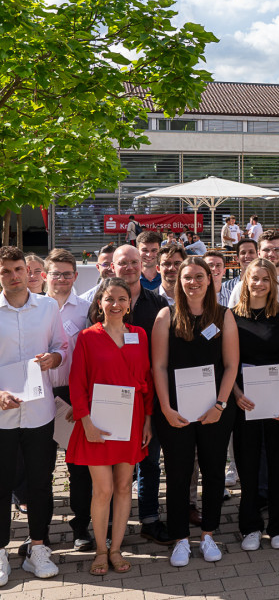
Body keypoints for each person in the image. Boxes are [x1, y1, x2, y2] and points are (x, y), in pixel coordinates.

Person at [151, 256, 239, 567]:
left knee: (214, 472)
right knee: (178, 474)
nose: (193, 282)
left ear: (210, 279)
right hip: (175, 412)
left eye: (199, 276)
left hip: (214, 411)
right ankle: (180, 539)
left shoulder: (223, 316)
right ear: (178, 281)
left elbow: (231, 366)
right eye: (187, 277)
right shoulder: (167, 315)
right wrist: (165, 407)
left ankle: (208, 535)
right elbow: (158, 366)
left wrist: (220, 405)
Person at [67, 277, 154, 575]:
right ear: (100, 302)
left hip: (131, 421)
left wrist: (147, 420)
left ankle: (117, 549)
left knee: (123, 486)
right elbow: (77, 383)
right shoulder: (88, 337)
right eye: (110, 299)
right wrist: (85, 421)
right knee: (102, 489)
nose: (115, 304)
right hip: (98, 423)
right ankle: (101, 551)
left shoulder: (140, 335)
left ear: (129, 304)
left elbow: (148, 381)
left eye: (121, 299)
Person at [0, 246, 67, 584]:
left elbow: (62, 346)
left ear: (28, 271)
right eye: (5, 271)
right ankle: (0, 552)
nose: (13, 276)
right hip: (2, 415)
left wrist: (54, 359)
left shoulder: (47, 307)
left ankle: (38, 548)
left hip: (39, 412)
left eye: (17, 269)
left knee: (41, 483)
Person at [231, 259, 279, 551]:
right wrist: (234, 393)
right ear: (245, 281)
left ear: (273, 284)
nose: (259, 284)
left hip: (277, 402)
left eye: (265, 279)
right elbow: (226, 363)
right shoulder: (231, 317)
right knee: (248, 464)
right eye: (254, 278)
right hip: (244, 402)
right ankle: (250, 527)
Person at [109, 245, 171, 545]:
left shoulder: (158, 304)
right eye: (124, 263)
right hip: (112, 398)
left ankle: (149, 519)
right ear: (113, 267)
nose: (131, 267)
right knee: (112, 462)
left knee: (149, 460)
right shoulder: (101, 300)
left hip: (148, 397)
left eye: (135, 261)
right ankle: (109, 523)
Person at [42, 249, 93, 552]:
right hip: (40, 396)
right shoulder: (34, 309)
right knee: (41, 467)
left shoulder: (86, 309)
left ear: (75, 276)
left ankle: (82, 526)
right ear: (45, 276)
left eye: (67, 273)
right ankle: (41, 531)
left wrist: (83, 399)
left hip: (74, 396)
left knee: (79, 467)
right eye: (55, 273)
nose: (61, 279)